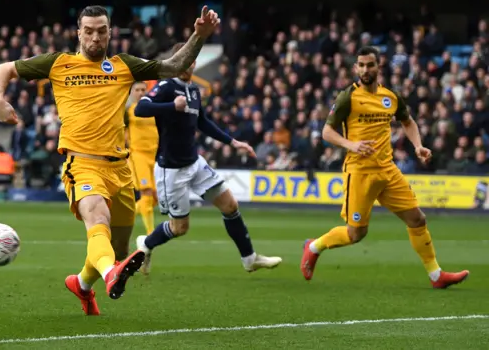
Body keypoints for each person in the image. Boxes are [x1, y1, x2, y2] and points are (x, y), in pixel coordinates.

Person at [0, 5, 221, 315]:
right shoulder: (59, 64)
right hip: (81, 164)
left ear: (110, 33)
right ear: (79, 33)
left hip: (120, 169)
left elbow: (173, 65)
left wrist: (199, 35)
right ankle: (110, 272)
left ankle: (83, 285)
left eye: (101, 30)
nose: (95, 37)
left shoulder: (124, 65)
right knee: (98, 223)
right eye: (89, 31)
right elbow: (3, 69)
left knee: (118, 251)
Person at [300, 46, 469, 289]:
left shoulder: (390, 97)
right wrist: (352, 144)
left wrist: (418, 146)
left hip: (387, 171)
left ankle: (436, 276)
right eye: (361, 65)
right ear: (356, 68)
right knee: (356, 234)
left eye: (370, 65)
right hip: (359, 172)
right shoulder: (347, 97)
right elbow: (327, 131)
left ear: (379, 66)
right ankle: (314, 246)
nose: (365, 69)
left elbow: (408, 121)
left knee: (417, 219)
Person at [134, 43, 282, 274]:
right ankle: (145, 244)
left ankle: (249, 258)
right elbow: (140, 109)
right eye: (181, 59)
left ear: (194, 62)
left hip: (195, 163)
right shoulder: (166, 86)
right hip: (171, 170)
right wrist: (171, 106)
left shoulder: (194, 90)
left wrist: (233, 142)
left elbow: (202, 121)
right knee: (180, 227)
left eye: (190, 59)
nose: (186, 64)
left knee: (230, 205)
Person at [125, 82, 159, 239]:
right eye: (137, 90)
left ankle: (123, 216)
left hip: (155, 156)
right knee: (146, 193)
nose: (140, 92)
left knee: (156, 198)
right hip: (138, 155)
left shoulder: (155, 110)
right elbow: (122, 133)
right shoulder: (128, 112)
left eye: (143, 90)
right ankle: (150, 233)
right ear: (132, 92)